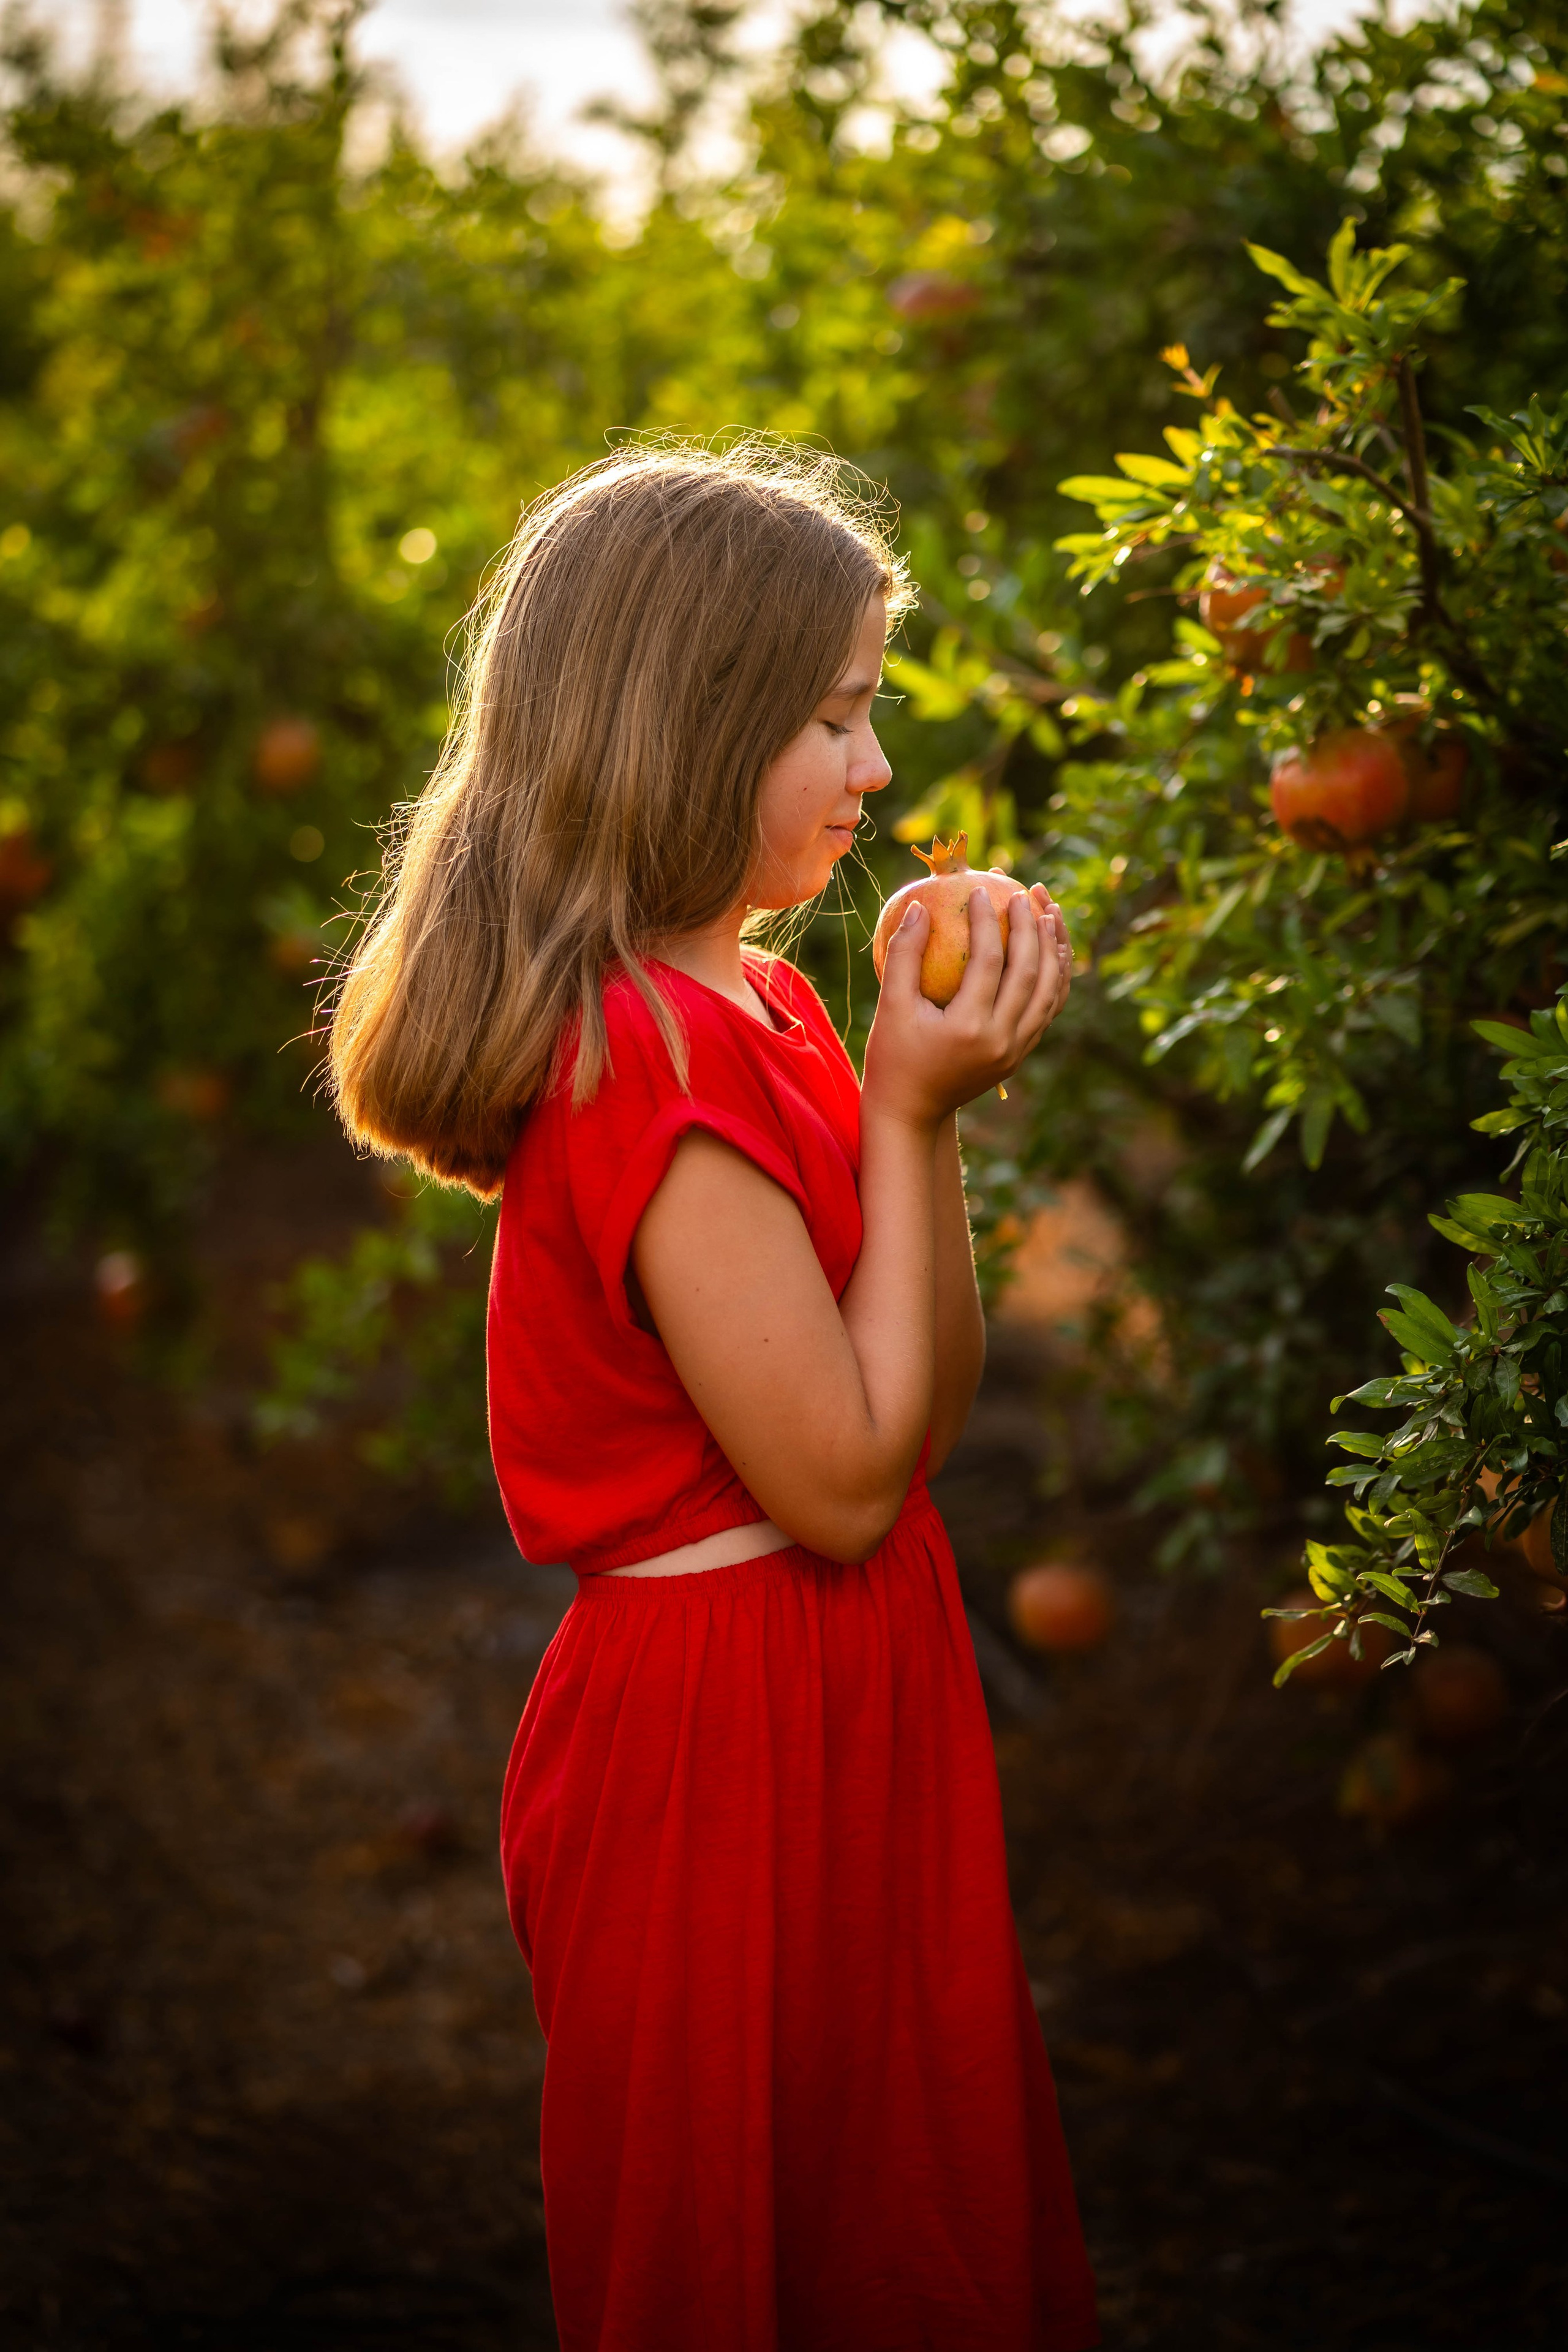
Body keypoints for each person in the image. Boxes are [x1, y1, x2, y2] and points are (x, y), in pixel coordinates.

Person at [328, 442, 1098, 2352]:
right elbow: (838, 1483)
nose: (877, 770)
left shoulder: (764, 1002)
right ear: (690, 725)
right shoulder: (644, 1062)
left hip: (844, 1674)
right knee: (742, 2246)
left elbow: (915, 1414)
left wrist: (914, 1111)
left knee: (886, 2195)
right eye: (833, 719)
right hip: (719, 1731)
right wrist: (918, 1112)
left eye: (871, 712)